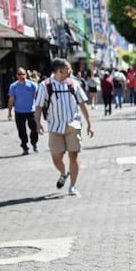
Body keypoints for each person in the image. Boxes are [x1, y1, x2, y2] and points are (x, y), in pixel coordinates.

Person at [33, 58, 94, 196]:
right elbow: (38, 106)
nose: (71, 71)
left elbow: (82, 104)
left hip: (73, 125)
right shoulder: (45, 85)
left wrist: (89, 123)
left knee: (74, 155)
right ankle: (63, 172)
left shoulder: (74, 84)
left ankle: (72, 186)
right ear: (60, 71)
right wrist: (38, 123)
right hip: (55, 127)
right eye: (68, 68)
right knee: (56, 156)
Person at [6, 68, 40, 155]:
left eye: (23, 74)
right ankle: (25, 147)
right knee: (21, 131)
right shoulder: (13, 86)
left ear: (26, 74)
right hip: (19, 112)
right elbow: (11, 99)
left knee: (34, 129)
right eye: (19, 74)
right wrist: (9, 112)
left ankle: (34, 143)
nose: (22, 76)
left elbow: (37, 98)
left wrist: (39, 110)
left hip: (31, 111)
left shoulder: (32, 85)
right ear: (16, 75)